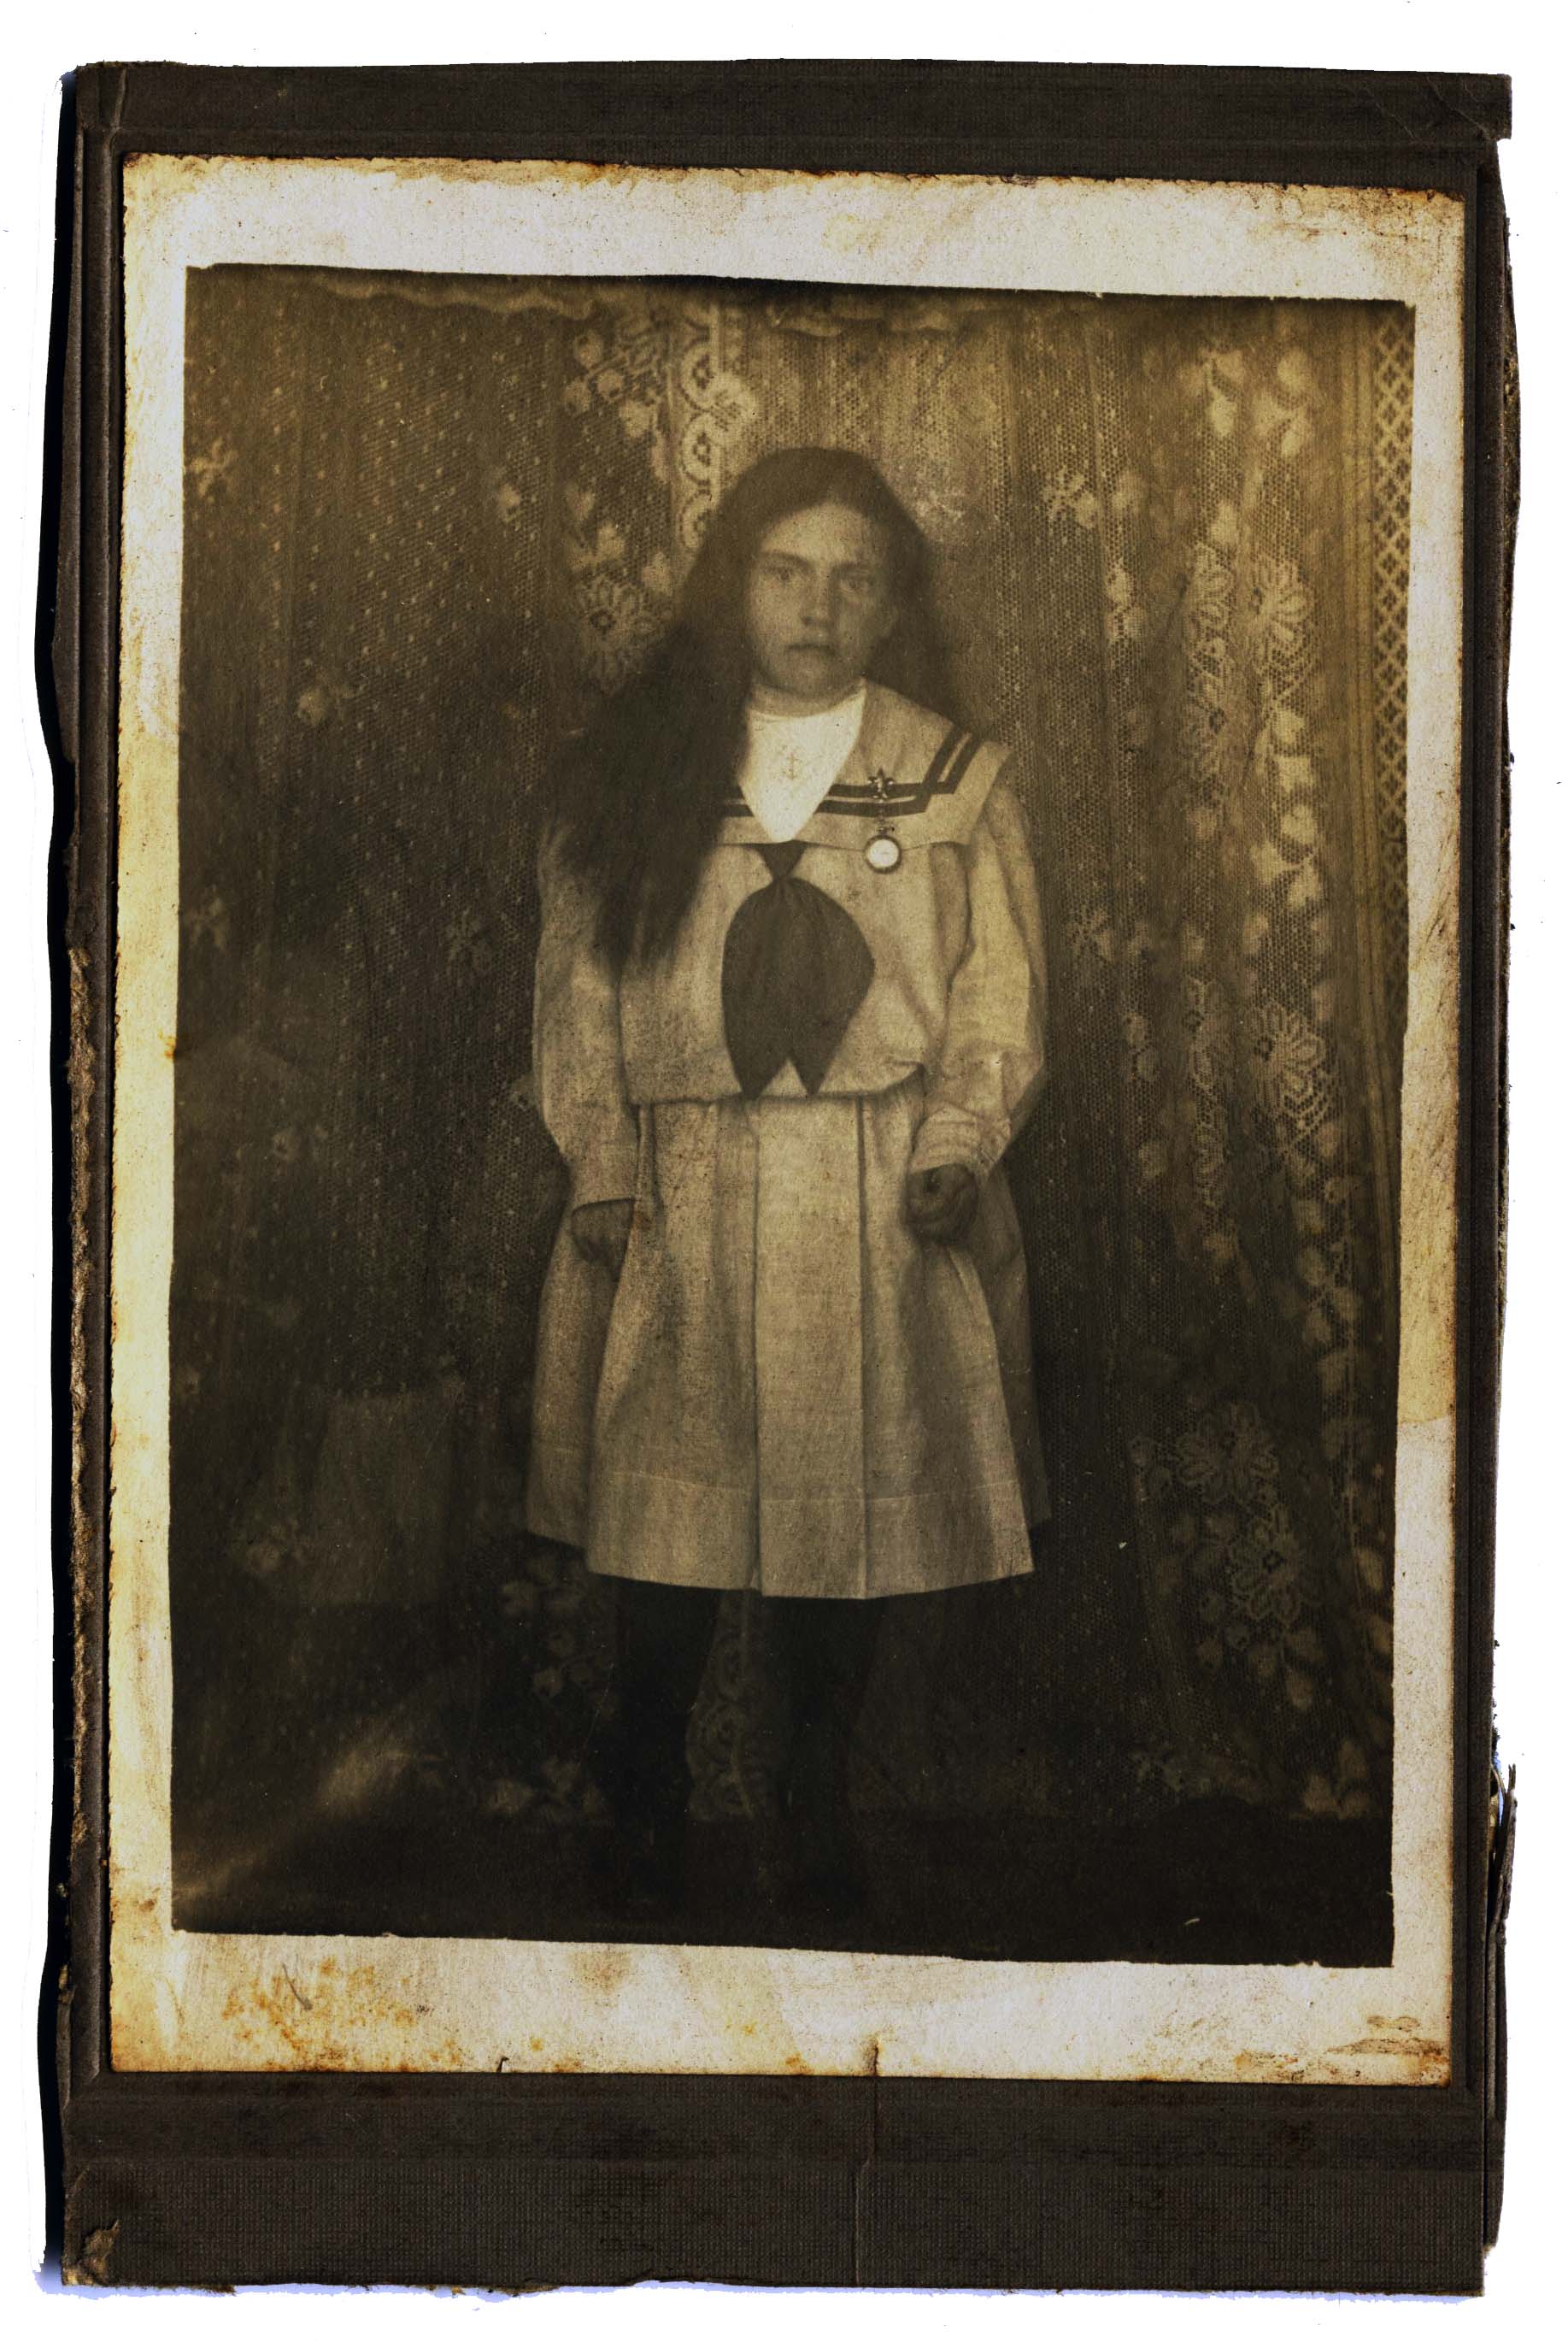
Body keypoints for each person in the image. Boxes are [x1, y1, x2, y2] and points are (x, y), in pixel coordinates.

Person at [526, 446, 1048, 1912]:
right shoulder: (643, 771)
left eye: (853, 579)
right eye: (786, 571)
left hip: (870, 1187)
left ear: (891, 606)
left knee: (843, 1504)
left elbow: (998, 990)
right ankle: (647, 1790)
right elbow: (578, 994)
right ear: (732, 586)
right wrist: (604, 1157)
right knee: (672, 1504)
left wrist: (957, 1143)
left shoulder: (949, 777)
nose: (818, 606)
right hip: (683, 1184)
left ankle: (812, 1796)